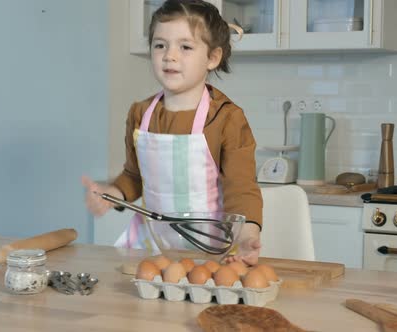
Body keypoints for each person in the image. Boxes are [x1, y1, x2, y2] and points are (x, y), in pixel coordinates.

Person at [82, 0, 262, 266]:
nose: (170, 55)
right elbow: (134, 176)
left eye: (185, 47)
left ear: (213, 57)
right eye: (160, 45)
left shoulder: (227, 118)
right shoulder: (140, 115)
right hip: (152, 247)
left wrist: (247, 234)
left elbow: (241, 187)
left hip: (211, 248)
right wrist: (112, 195)